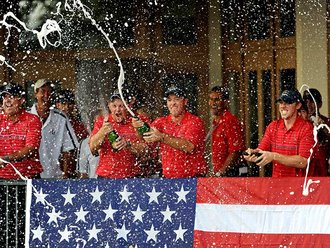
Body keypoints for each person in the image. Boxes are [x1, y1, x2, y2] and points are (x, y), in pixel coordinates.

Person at [134, 86, 207, 178]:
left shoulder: (194, 121)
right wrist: (138, 127)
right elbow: (145, 139)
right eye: (169, 100)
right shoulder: (161, 121)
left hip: (193, 179)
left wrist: (162, 137)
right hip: (169, 179)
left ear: (185, 102)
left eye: (176, 99)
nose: (173, 103)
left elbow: (189, 147)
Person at [244, 89, 314, 177]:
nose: (283, 106)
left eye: (288, 102)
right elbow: (262, 150)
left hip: (298, 186)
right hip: (277, 185)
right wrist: (253, 153)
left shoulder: (306, 128)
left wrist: (273, 156)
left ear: (298, 105)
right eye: (281, 102)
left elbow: (303, 162)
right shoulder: (273, 126)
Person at [89, 92, 148, 178]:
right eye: (114, 106)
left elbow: (147, 150)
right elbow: (93, 149)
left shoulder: (137, 120)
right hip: (106, 176)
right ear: (109, 105)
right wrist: (102, 132)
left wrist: (128, 145)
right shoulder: (102, 121)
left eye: (121, 106)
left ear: (129, 106)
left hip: (132, 176)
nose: (117, 110)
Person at [29, 79, 78, 178]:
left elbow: (68, 150)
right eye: (42, 91)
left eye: (49, 92)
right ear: (36, 94)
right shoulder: (26, 116)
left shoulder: (61, 117)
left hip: (54, 177)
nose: (46, 95)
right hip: (29, 176)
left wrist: (65, 175)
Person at [0, 83, 43, 179]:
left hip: (27, 179)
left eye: (11, 97)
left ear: (22, 100)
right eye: (4, 97)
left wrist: (5, 159)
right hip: (2, 180)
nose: (7, 101)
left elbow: (30, 149)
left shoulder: (32, 119)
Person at [208, 86, 246, 177]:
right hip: (224, 172)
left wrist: (220, 173)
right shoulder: (217, 121)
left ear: (226, 102)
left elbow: (236, 151)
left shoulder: (230, 120)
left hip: (234, 172)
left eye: (217, 99)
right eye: (211, 99)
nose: (213, 103)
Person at [303, 88, 330, 176]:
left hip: (321, 169)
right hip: (302, 170)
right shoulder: (299, 122)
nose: (308, 105)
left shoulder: (327, 122)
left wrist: (323, 129)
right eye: (306, 102)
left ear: (320, 104)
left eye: (312, 102)